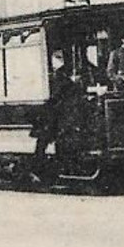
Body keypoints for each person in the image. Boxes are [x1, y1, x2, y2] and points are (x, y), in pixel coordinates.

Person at [30, 50, 81, 180]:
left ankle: (40, 169)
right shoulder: (61, 76)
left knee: (44, 141)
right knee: (47, 140)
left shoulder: (58, 75)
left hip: (54, 114)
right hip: (55, 114)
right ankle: (42, 168)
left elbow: (55, 95)